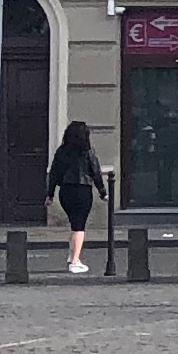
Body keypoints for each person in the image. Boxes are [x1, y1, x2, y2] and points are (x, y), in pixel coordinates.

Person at [47, 118, 106, 276]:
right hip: (82, 189)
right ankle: (74, 261)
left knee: (74, 224)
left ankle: (72, 256)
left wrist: (50, 194)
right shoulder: (87, 151)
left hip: (65, 190)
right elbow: (96, 172)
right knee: (79, 227)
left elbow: (54, 173)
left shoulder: (62, 151)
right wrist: (102, 192)